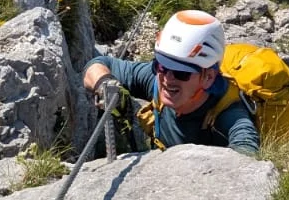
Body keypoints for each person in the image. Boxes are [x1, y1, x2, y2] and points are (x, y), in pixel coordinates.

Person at [83, 9, 260, 155]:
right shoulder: (155, 79)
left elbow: (247, 148)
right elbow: (98, 64)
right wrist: (105, 84)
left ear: (208, 77)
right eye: (160, 66)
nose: (167, 78)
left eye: (181, 73)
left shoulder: (229, 114)